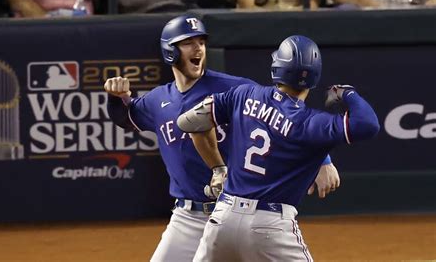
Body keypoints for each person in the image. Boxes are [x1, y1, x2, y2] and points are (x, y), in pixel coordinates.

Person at [104, 17, 340, 262]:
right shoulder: (157, 100)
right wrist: (115, 97)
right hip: (187, 216)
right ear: (170, 51)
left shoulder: (231, 87)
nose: (198, 49)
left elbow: (281, 114)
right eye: (188, 43)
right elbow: (126, 117)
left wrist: (323, 159)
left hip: (229, 211)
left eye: (201, 42)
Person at [177, 35, 380, 261]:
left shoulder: (244, 94)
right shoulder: (311, 122)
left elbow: (188, 122)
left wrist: (218, 168)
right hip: (270, 227)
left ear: (277, 67)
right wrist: (347, 93)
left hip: (222, 218)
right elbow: (368, 124)